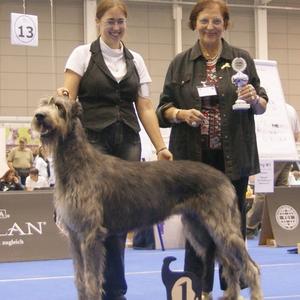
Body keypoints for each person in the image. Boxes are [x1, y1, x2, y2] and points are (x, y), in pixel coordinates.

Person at [57, 0, 172, 299]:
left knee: (119, 221)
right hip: (91, 146)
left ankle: (114, 290)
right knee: (90, 224)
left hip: (128, 144)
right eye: (110, 21)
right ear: (98, 22)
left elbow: (145, 106)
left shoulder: (136, 60)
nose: (116, 27)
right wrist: (63, 97)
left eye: (121, 21)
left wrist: (161, 146)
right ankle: (91, 288)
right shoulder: (82, 54)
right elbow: (69, 94)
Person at [156, 0, 268, 298]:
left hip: (233, 160)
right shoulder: (180, 63)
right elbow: (161, 109)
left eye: (216, 21)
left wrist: (254, 97)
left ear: (225, 24)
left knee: (232, 227)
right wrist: (180, 114)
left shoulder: (241, 59)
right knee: (196, 228)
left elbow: (261, 106)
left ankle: (234, 288)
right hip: (194, 163)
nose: (210, 27)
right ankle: (198, 289)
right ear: (195, 24)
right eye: (204, 21)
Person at [247, 102, 300, 236]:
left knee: (263, 192)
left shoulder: (265, 110)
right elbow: (296, 135)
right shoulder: (290, 109)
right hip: (287, 153)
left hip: (269, 153)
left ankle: (249, 225)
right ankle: (278, 227)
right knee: (281, 190)